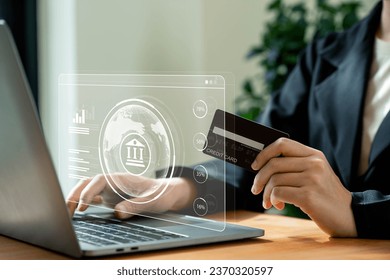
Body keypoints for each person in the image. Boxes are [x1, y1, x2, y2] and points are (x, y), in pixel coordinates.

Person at [67, 0, 390, 239]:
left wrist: (355, 212)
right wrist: (173, 189)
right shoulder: (324, 53)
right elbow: (259, 156)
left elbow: (349, 207)